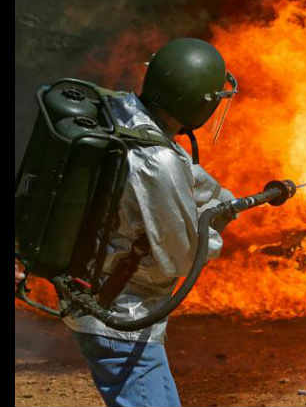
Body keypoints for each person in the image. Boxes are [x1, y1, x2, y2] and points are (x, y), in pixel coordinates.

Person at [19, 38, 238, 407]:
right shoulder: (157, 161)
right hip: (119, 316)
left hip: (102, 303)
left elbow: (180, 173)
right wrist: (213, 228)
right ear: (200, 103)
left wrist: (222, 200)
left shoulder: (123, 112)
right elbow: (182, 256)